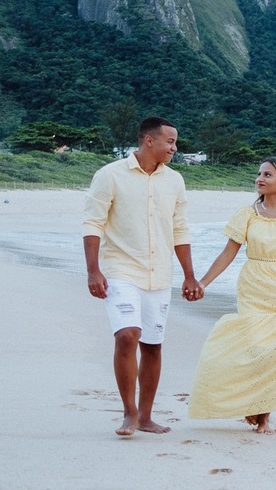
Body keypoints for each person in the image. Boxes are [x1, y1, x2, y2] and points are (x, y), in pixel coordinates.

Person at [188, 158, 276, 434]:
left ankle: (263, 415)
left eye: (267, 174)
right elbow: (228, 253)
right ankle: (251, 404)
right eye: (259, 174)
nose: (260, 178)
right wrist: (203, 282)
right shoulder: (247, 213)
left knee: (274, 350)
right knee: (256, 346)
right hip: (254, 284)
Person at [83, 116, 203, 436]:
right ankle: (129, 413)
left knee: (152, 345)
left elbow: (180, 229)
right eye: (170, 142)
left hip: (160, 275)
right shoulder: (110, 175)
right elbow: (92, 224)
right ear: (149, 141)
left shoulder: (175, 181)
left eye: (175, 142)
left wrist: (190, 276)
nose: (175, 148)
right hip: (120, 270)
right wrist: (93, 270)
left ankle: (147, 416)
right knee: (127, 335)